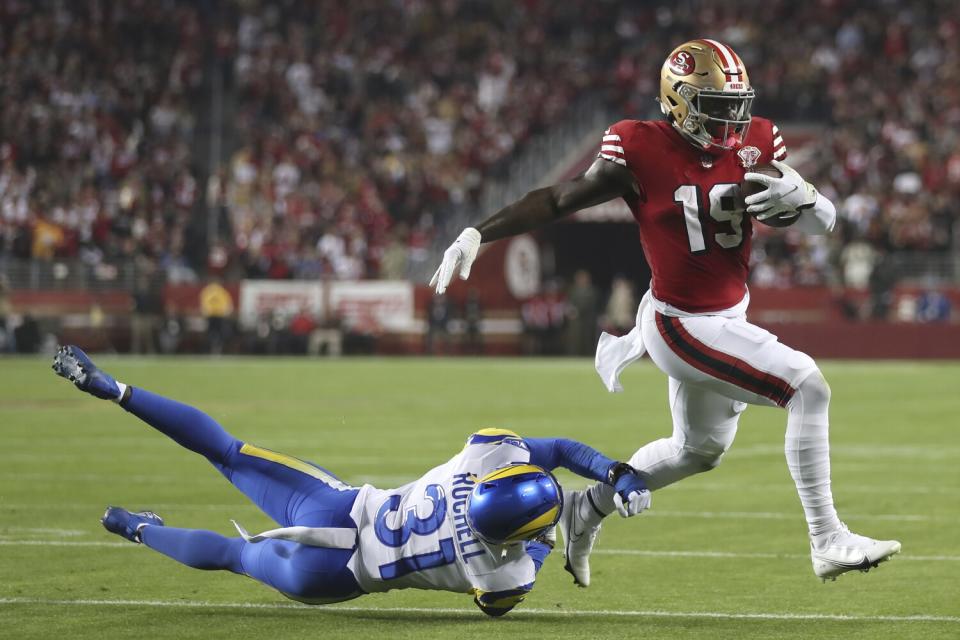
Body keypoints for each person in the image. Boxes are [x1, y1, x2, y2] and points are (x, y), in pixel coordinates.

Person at [431, 39, 901, 585]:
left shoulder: (757, 141)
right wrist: (476, 233)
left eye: (736, 105)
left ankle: (587, 509)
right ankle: (827, 540)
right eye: (716, 106)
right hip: (680, 324)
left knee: (696, 451)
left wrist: (810, 199)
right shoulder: (640, 146)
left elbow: (826, 225)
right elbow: (561, 199)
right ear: (678, 102)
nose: (732, 121)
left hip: (728, 316)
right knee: (807, 386)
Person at [51, 345, 649, 615]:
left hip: (336, 507)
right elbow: (502, 599)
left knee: (228, 452)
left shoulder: (482, 456)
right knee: (235, 555)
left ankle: (118, 391)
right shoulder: (500, 571)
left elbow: (562, 450)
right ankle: (134, 529)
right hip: (334, 576)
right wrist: (570, 519)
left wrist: (609, 471)